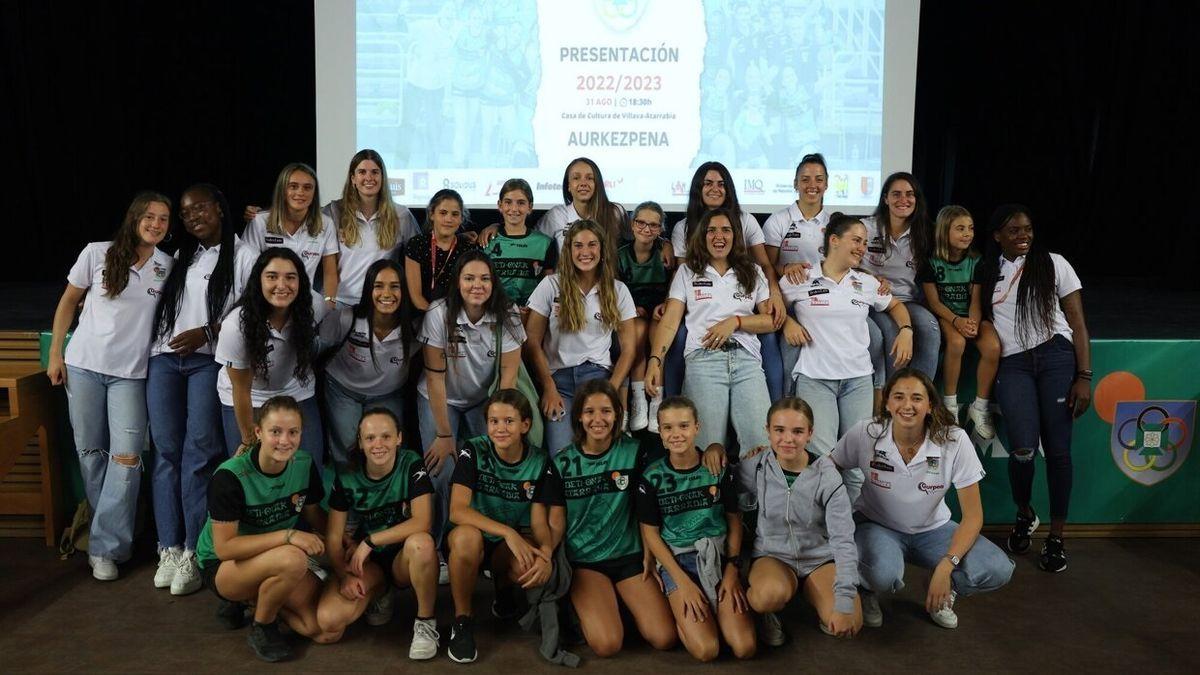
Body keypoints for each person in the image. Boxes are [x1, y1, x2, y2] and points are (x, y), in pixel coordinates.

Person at [47, 191, 173, 581]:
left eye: (164, 219)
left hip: (131, 375)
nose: (156, 224)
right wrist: (55, 354)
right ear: (135, 217)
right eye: (150, 216)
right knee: (90, 451)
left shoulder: (167, 267)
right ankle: (109, 538)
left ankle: (103, 546)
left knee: (127, 458)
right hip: (83, 365)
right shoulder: (97, 253)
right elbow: (69, 301)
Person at [831, 369, 1015, 629]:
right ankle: (868, 589)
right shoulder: (867, 433)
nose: (907, 405)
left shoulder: (954, 440)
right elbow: (829, 468)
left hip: (933, 530)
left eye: (916, 398)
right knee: (883, 574)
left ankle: (940, 590)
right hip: (876, 524)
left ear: (929, 405)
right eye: (898, 397)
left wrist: (946, 566)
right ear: (886, 402)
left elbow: (973, 517)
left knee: (997, 568)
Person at [148, 184, 255, 595]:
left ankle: (194, 550)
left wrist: (208, 331)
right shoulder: (181, 255)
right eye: (186, 212)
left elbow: (251, 308)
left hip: (205, 362)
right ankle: (168, 546)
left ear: (220, 209)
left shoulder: (243, 256)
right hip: (163, 359)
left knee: (198, 452)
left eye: (200, 208)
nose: (192, 216)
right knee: (165, 452)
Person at [977, 204, 1092, 573]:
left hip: (1057, 357)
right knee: (1023, 450)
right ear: (997, 236)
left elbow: (1077, 320)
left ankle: (1057, 537)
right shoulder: (987, 270)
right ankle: (1024, 512)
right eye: (1013, 230)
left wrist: (1085, 376)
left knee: (1058, 452)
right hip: (1014, 363)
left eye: (1027, 229)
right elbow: (977, 317)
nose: (1023, 235)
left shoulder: (1054, 262)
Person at [539, 379, 677, 657]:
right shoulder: (562, 462)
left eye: (606, 411)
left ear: (617, 415)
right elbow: (555, 520)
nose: (598, 419)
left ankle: (619, 605)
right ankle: (590, 608)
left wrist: (714, 449)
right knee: (607, 645)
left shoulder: (636, 451)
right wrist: (545, 553)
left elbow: (679, 454)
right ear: (579, 415)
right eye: (590, 412)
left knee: (664, 638)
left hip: (631, 558)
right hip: (587, 562)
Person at [193, 396, 327, 662]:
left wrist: (341, 540)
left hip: (273, 557)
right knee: (293, 559)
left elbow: (314, 514)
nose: (284, 441)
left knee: (317, 629)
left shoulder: (303, 463)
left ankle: (251, 600)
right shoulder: (229, 476)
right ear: (258, 432)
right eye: (275, 432)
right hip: (222, 564)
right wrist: (289, 536)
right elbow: (224, 547)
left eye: (293, 432)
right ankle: (262, 626)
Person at [777, 214, 913, 462]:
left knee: (858, 462)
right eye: (856, 240)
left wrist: (906, 330)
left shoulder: (867, 282)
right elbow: (769, 305)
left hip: (858, 381)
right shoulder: (800, 278)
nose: (862, 248)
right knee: (822, 460)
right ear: (834, 240)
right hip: (815, 379)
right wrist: (787, 321)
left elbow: (896, 306)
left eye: (864, 242)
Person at [309, 408, 440, 659]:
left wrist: (371, 541)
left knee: (422, 543)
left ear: (399, 438)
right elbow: (334, 539)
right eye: (370, 438)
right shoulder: (347, 475)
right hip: (368, 563)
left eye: (386, 437)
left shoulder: (411, 462)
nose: (378, 445)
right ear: (360, 442)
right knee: (329, 620)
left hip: (403, 556)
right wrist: (343, 575)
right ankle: (380, 592)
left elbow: (422, 521)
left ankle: (425, 622)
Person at [418, 251, 525, 555]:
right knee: (442, 471)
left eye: (484, 278)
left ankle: (487, 548)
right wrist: (443, 434)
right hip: (440, 398)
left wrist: (500, 425)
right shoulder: (439, 312)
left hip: (485, 401)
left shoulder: (508, 313)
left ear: (494, 283)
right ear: (457, 283)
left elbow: (508, 376)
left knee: (491, 467)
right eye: (469, 278)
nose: (476, 285)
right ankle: (438, 549)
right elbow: (435, 379)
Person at [645, 209, 773, 457]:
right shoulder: (687, 272)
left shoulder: (753, 271)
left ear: (736, 236)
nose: (719, 236)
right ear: (702, 236)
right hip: (704, 360)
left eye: (726, 230)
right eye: (711, 230)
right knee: (706, 450)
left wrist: (735, 322)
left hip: (746, 360)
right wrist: (654, 360)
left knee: (762, 449)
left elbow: (770, 320)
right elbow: (670, 321)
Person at [637, 397, 756, 661]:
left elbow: (734, 519)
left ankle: (719, 613)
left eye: (683, 426)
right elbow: (651, 534)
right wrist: (683, 582)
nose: (676, 434)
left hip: (718, 555)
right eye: (668, 428)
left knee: (744, 647)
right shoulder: (652, 476)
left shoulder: (715, 466)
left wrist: (732, 571)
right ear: (660, 431)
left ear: (697, 428)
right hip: (678, 560)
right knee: (706, 650)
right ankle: (680, 609)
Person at [736, 398, 861, 646]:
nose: (788, 439)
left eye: (798, 431)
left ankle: (814, 593)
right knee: (766, 597)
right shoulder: (756, 466)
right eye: (779, 430)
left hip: (819, 558)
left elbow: (843, 539)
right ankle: (770, 611)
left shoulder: (827, 475)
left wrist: (845, 599)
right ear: (768, 432)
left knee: (851, 623)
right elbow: (724, 480)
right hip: (773, 556)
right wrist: (713, 450)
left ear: (810, 434)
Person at [446, 389, 555, 663]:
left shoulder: (540, 461)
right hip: (480, 534)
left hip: (512, 541)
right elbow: (457, 510)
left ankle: (503, 589)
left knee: (529, 564)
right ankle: (462, 621)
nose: (500, 428)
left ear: (525, 425)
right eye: (494, 421)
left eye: (509, 421)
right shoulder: (474, 449)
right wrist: (507, 532)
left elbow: (540, 521)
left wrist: (546, 552)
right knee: (464, 540)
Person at [666, 161, 785, 400]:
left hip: (744, 294)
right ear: (698, 188)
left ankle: (775, 407)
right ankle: (670, 404)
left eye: (721, 184)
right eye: (708, 183)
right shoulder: (684, 226)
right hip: (698, 303)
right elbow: (681, 272)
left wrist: (775, 293)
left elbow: (764, 264)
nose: (715, 189)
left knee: (769, 335)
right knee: (678, 335)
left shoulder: (745, 220)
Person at [525, 220, 637, 456]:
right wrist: (548, 387)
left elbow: (628, 348)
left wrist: (611, 390)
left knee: (598, 455)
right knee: (561, 456)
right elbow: (532, 341)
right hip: (558, 383)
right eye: (578, 246)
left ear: (602, 250)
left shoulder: (618, 290)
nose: (585, 252)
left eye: (592, 245)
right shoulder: (551, 285)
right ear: (568, 251)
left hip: (597, 378)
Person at [214, 248, 323, 471]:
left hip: (296, 390)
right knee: (250, 472)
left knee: (309, 469)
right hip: (249, 397)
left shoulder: (315, 306)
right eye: (272, 277)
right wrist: (248, 439)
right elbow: (240, 389)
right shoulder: (236, 325)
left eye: (290, 277)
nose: (282, 285)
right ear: (258, 281)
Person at [318, 259, 414, 468]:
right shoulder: (346, 318)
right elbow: (320, 346)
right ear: (368, 290)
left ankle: (381, 496)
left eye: (395, 286)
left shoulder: (414, 326)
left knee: (384, 451)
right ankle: (346, 495)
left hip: (389, 394)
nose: (386, 294)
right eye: (378, 286)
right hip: (343, 390)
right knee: (347, 451)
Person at [916, 205, 999, 438]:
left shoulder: (976, 261)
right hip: (945, 315)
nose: (967, 234)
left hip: (970, 315)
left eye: (970, 228)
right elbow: (934, 303)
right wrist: (956, 321)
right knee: (957, 343)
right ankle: (950, 406)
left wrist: (972, 322)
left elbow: (976, 301)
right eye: (960, 228)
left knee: (992, 347)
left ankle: (980, 407)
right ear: (944, 232)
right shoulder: (931, 262)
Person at [860, 172, 941, 380]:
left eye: (909, 194)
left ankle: (921, 398)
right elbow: (844, 262)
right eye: (896, 194)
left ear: (917, 199)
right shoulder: (865, 228)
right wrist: (870, 277)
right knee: (891, 331)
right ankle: (890, 399)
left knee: (930, 329)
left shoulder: (926, 232)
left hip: (907, 301)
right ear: (885, 198)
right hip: (872, 299)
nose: (903, 200)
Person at [324, 149, 419, 306]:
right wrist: (329, 301)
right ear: (353, 178)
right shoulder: (333, 212)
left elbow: (420, 251)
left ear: (382, 177)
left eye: (375, 172)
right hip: (340, 303)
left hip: (381, 304)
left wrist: (456, 237)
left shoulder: (401, 215)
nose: (369, 177)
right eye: (362, 172)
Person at [243, 163, 339, 310]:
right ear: (282, 190)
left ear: (314, 193)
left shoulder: (326, 224)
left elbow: (330, 273)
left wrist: (329, 303)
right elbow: (248, 269)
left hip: (306, 306)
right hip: (268, 302)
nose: (300, 192)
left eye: (307, 187)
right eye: (293, 186)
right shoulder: (260, 222)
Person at [616, 201, 673, 432]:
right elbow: (614, 289)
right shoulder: (619, 255)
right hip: (633, 311)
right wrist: (630, 307)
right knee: (638, 332)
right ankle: (639, 400)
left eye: (653, 225)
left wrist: (667, 303)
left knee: (659, 336)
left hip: (659, 310)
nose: (646, 229)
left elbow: (676, 284)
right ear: (632, 224)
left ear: (660, 229)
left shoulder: (665, 252)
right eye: (641, 223)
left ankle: (656, 403)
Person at [481, 178, 557, 309]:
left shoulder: (544, 243)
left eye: (521, 203)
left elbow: (549, 287)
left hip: (531, 314)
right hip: (492, 313)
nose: (514, 208)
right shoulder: (486, 240)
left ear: (530, 207)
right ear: (499, 205)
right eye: (508, 202)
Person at [404, 188, 480, 311]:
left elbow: (470, 295)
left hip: (457, 318)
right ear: (432, 214)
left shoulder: (468, 249)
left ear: (461, 218)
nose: (449, 219)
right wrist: (437, 320)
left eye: (455, 214)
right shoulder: (417, 245)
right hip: (421, 316)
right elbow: (416, 297)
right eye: (443, 213)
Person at [762, 153, 830, 277]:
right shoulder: (777, 221)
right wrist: (785, 268)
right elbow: (765, 268)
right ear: (795, 183)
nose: (812, 185)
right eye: (805, 179)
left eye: (819, 180)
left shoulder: (834, 223)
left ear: (826, 184)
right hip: (788, 293)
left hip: (828, 293)